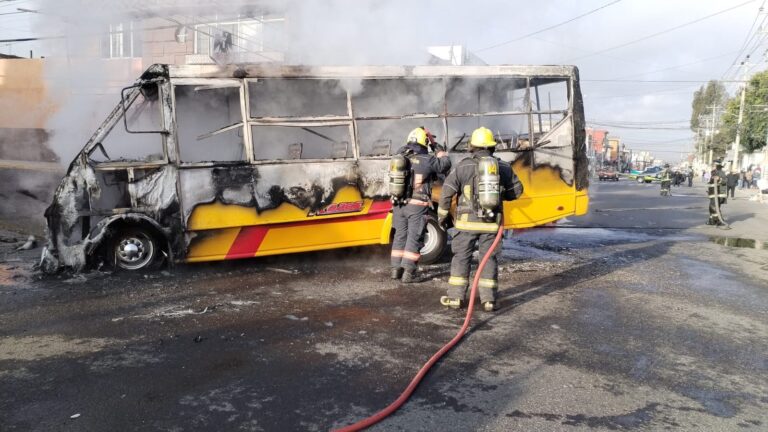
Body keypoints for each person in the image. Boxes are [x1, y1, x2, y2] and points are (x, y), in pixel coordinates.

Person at [436, 127, 523, 312]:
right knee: (488, 259)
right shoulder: (503, 167)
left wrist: (442, 216)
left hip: (465, 224)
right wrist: (498, 196)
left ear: (472, 146)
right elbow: (517, 191)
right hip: (491, 225)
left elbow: (446, 192)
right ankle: (489, 301)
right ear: (492, 146)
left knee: (461, 258)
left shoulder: (462, 166)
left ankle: (455, 299)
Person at [390, 127, 451, 283]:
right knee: (415, 237)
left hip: (398, 204)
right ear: (424, 142)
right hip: (417, 205)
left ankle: (396, 270)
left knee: (400, 236)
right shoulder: (426, 159)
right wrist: (437, 148)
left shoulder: (400, 156)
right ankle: (409, 274)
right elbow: (445, 164)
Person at [707, 160, 727, 226]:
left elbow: (725, 181)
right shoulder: (713, 173)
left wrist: (719, 179)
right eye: (712, 165)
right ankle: (712, 220)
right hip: (713, 194)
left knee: (714, 207)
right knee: (711, 207)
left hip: (718, 194)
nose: (712, 166)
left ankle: (720, 221)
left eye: (714, 165)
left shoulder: (721, 172)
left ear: (717, 166)